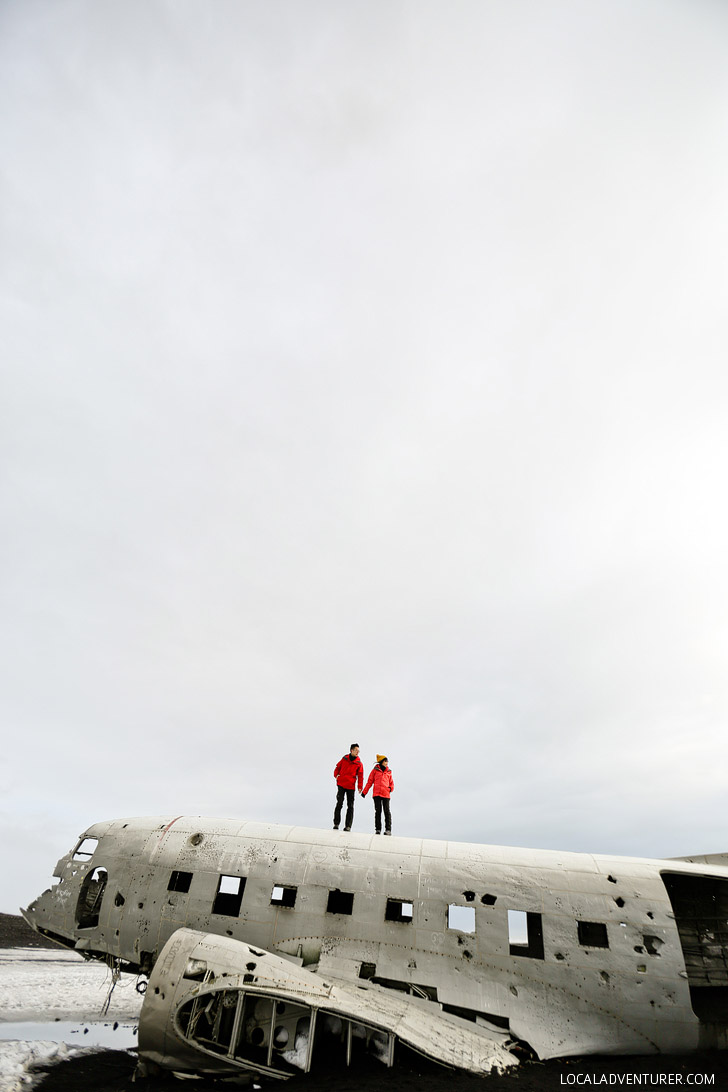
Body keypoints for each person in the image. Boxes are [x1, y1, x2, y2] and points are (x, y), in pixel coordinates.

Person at [333, 743, 364, 831]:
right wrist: (336, 775)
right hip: (341, 784)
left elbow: (360, 775)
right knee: (339, 803)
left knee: (350, 806)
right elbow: (337, 767)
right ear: (351, 750)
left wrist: (359, 786)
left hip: (351, 786)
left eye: (358, 751)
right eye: (356, 750)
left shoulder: (359, 763)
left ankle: (348, 826)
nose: (358, 752)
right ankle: (336, 823)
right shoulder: (344, 759)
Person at [361, 754, 394, 835]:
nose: (387, 763)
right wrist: (364, 792)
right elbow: (370, 782)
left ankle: (388, 830)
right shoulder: (375, 770)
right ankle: (378, 829)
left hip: (386, 794)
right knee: (378, 811)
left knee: (387, 811)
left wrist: (390, 789)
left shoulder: (389, 772)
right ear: (381, 762)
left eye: (387, 761)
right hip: (377, 794)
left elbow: (391, 783)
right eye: (385, 761)